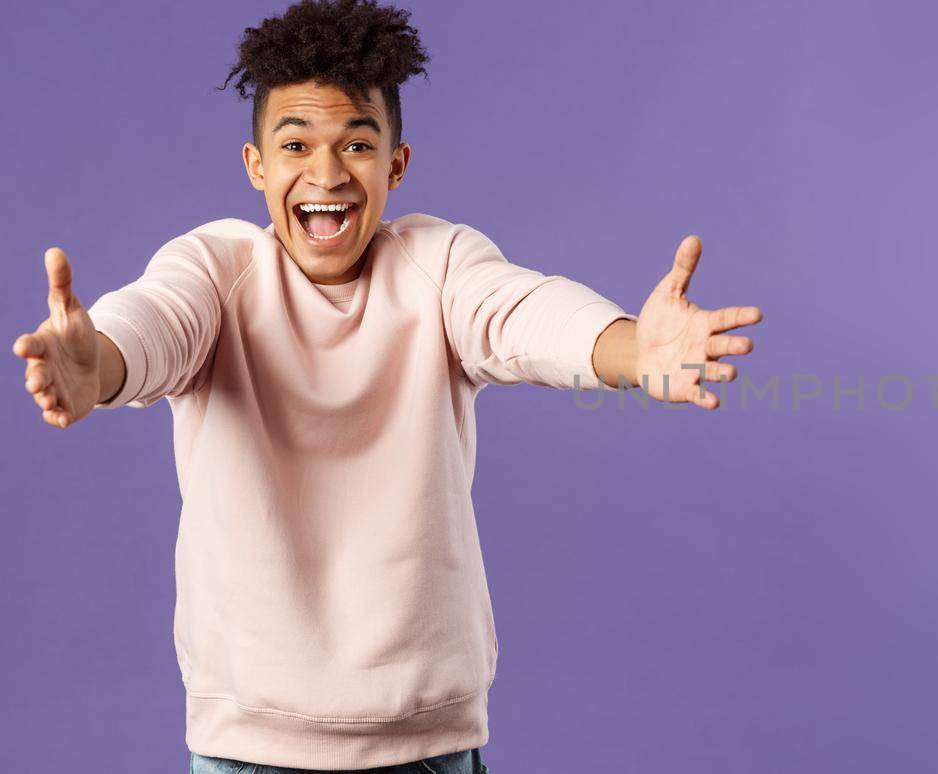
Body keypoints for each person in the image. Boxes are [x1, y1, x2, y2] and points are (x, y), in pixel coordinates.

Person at [10, 1, 762, 771]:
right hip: (248, 751)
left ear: (395, 165)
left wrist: (636, 350)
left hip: (427, 746)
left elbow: (523, 312)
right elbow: (154, 323)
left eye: (357, 145)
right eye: (296, 143)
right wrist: (94, 364)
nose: (327, 174)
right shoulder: (217, 271)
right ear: (257, 166)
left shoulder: (437, 266)